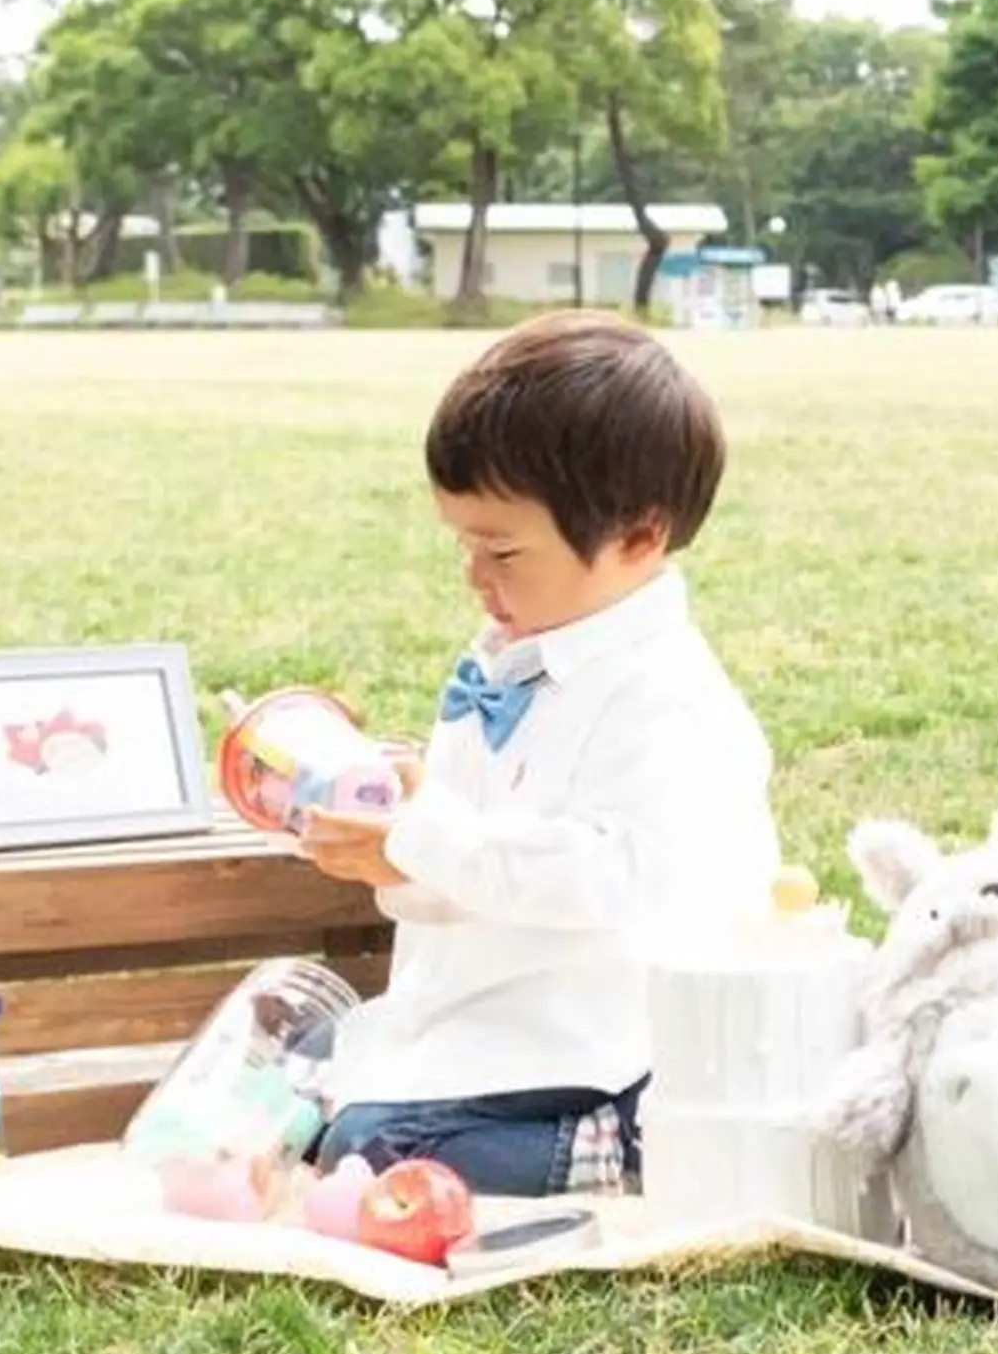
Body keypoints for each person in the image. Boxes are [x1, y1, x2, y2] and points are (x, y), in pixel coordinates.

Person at [298, 312, 779, 1198]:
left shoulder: (668, 699)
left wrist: (430, 835)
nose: (475, 576)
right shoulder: (512, 653)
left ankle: (624, 1147)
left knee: (371, 1149)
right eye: (464, 544)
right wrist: (393, 854)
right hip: (491, 1012)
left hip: (607, 1042)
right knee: (301, 1060)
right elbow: (478, 853)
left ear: (638, 537)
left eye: (503, 549)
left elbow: (608, 876)